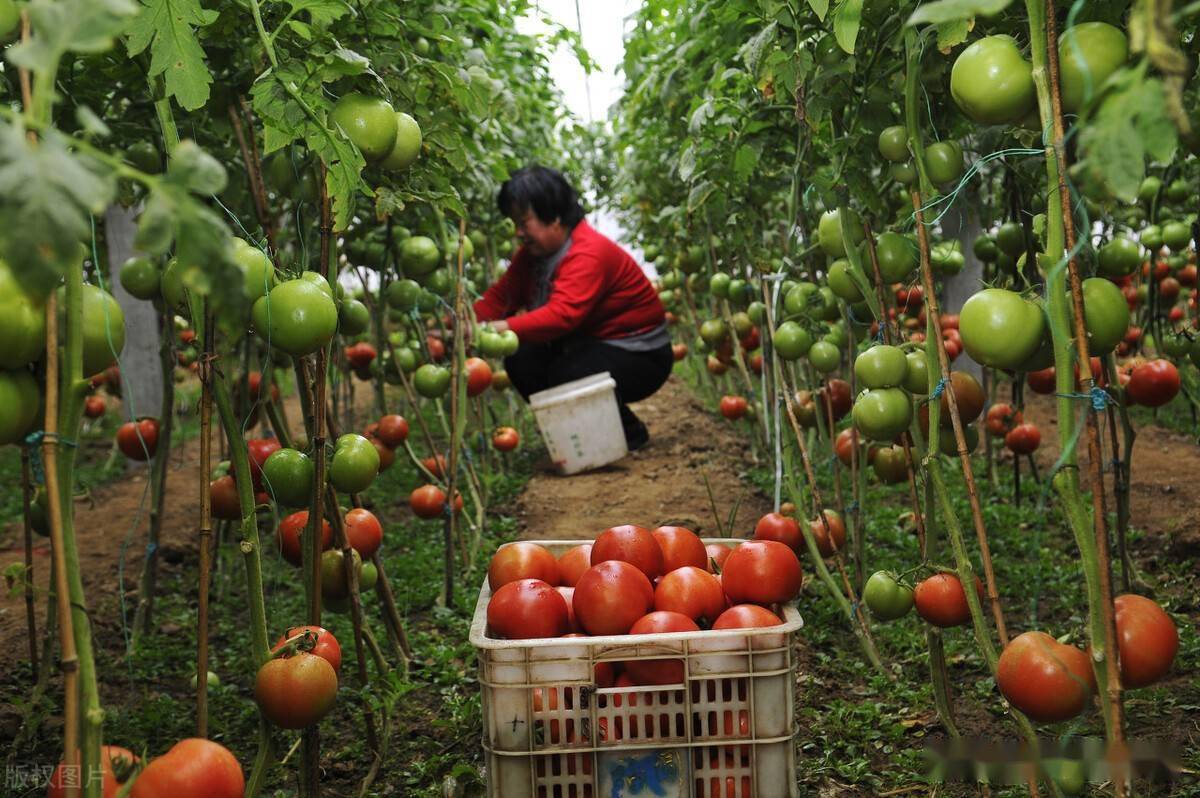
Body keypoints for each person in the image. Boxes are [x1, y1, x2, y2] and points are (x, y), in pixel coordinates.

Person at [474, 165, 673, 451]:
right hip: (592, 344)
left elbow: (562, 316)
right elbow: (501, 297)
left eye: (523, 221)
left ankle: (628, 432)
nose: (518, 232)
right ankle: (576, 435)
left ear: (554, 216)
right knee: (521, 359)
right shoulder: (532, 257)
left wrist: (500, 328)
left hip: (641, 353)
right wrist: (460, 322)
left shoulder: (589, 252)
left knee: (568, 374)